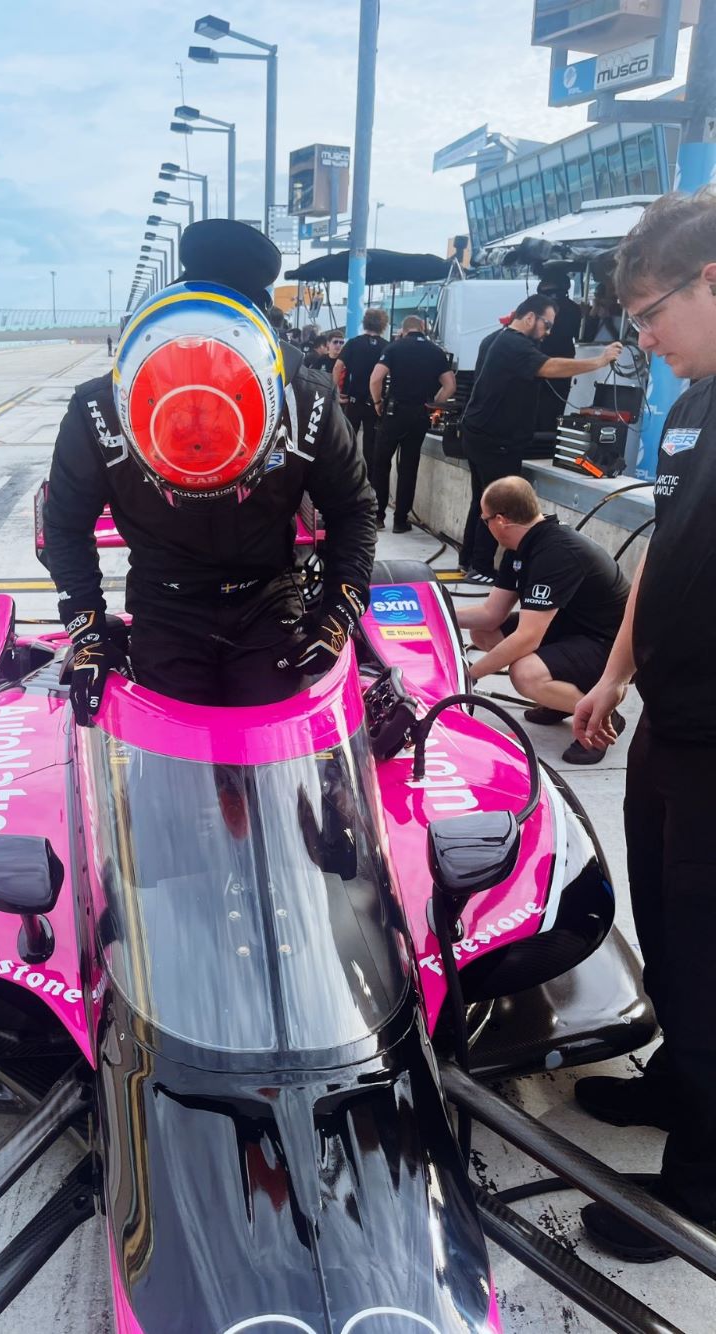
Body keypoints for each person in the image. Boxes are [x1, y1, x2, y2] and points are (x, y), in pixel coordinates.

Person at [38, 218, 377, 721]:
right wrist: (87, 633)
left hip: (267, 597)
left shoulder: (307, 399)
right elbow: (64, 525)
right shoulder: (98, 410)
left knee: (280, 751)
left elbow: (353, 510)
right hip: (164, 604)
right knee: (170, 761)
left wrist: (339, 612)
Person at [570, 187, 716, 1260]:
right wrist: (611, 673)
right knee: (662, 927)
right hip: (670, 718)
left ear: (712, 279)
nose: (643, 338)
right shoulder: (691, 405)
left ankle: (702, 1187)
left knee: (710, 951)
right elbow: (660, 554)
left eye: (649, 312)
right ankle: (678, 1081)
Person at [455, 477, 629, 763]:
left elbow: (528, 637)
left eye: (484, 519)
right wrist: (432, 613)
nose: (485, 525)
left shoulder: (556, 552)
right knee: (484, 634)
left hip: (610, 646)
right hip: (572, 629)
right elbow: (490, 616)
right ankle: (560, 700)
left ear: (500, 520)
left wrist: (468, 676)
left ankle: (600, 716)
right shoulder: (520, 547)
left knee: (525, 673)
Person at [458, 295, 622, 582]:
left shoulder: (498, 340)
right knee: (499, 504)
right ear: (530, 317)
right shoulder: (514, 344)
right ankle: (481, 567)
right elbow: (550, 367)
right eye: (547, 324)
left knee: (482, 499)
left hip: (480, 431)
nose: (548, 332)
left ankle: (469, 559)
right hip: (496, 437)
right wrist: (599, 360)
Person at [368, 316, 456, 532]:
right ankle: (400, 520)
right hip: (419, 414)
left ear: (403, 330)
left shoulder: (394, 347)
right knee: (409, 466)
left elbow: (376, 378)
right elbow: (450, 385)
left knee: (381, 463)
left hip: (394, 412)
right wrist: (433, 404)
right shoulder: (436, 352)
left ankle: (378, 516)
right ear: (423, 328)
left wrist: (378, 402)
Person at [333, 308, 390, 469]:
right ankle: (368, 483)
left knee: (347, 442)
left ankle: (344, 479)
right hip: (375, 402)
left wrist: (335, 393)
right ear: (383, 325)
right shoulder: (387, 346)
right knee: (371, 446)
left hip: (352, 400)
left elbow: (338, 367)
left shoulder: (354, 343)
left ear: (365, 323)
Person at [534, 270, 584, 434]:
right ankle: (549, 436)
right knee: (555, 404)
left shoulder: (548, 309)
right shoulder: (574, 308)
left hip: (547, 359)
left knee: (542, 404)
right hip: (564, 361)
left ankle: (542, 437)